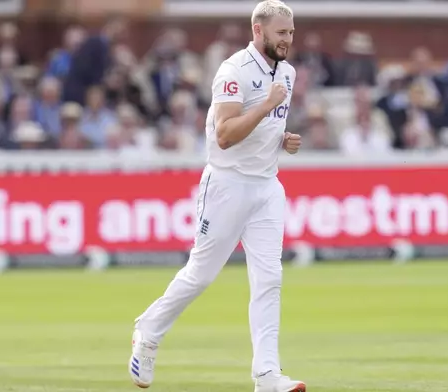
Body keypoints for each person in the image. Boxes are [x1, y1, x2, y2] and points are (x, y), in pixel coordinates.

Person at [127, 1, 305, 392]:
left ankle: (267, 376)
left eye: (291, 33)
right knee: (201, 274)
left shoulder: (286, 73)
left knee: (269, 278)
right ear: (258, 30)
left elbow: (264, 129)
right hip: (227, 186)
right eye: (281, 33)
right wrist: (267, 105)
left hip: (267, 186)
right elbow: (225, 135)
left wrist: (282, 139)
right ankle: (149, 330)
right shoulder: (233, 71)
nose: (288, 40)